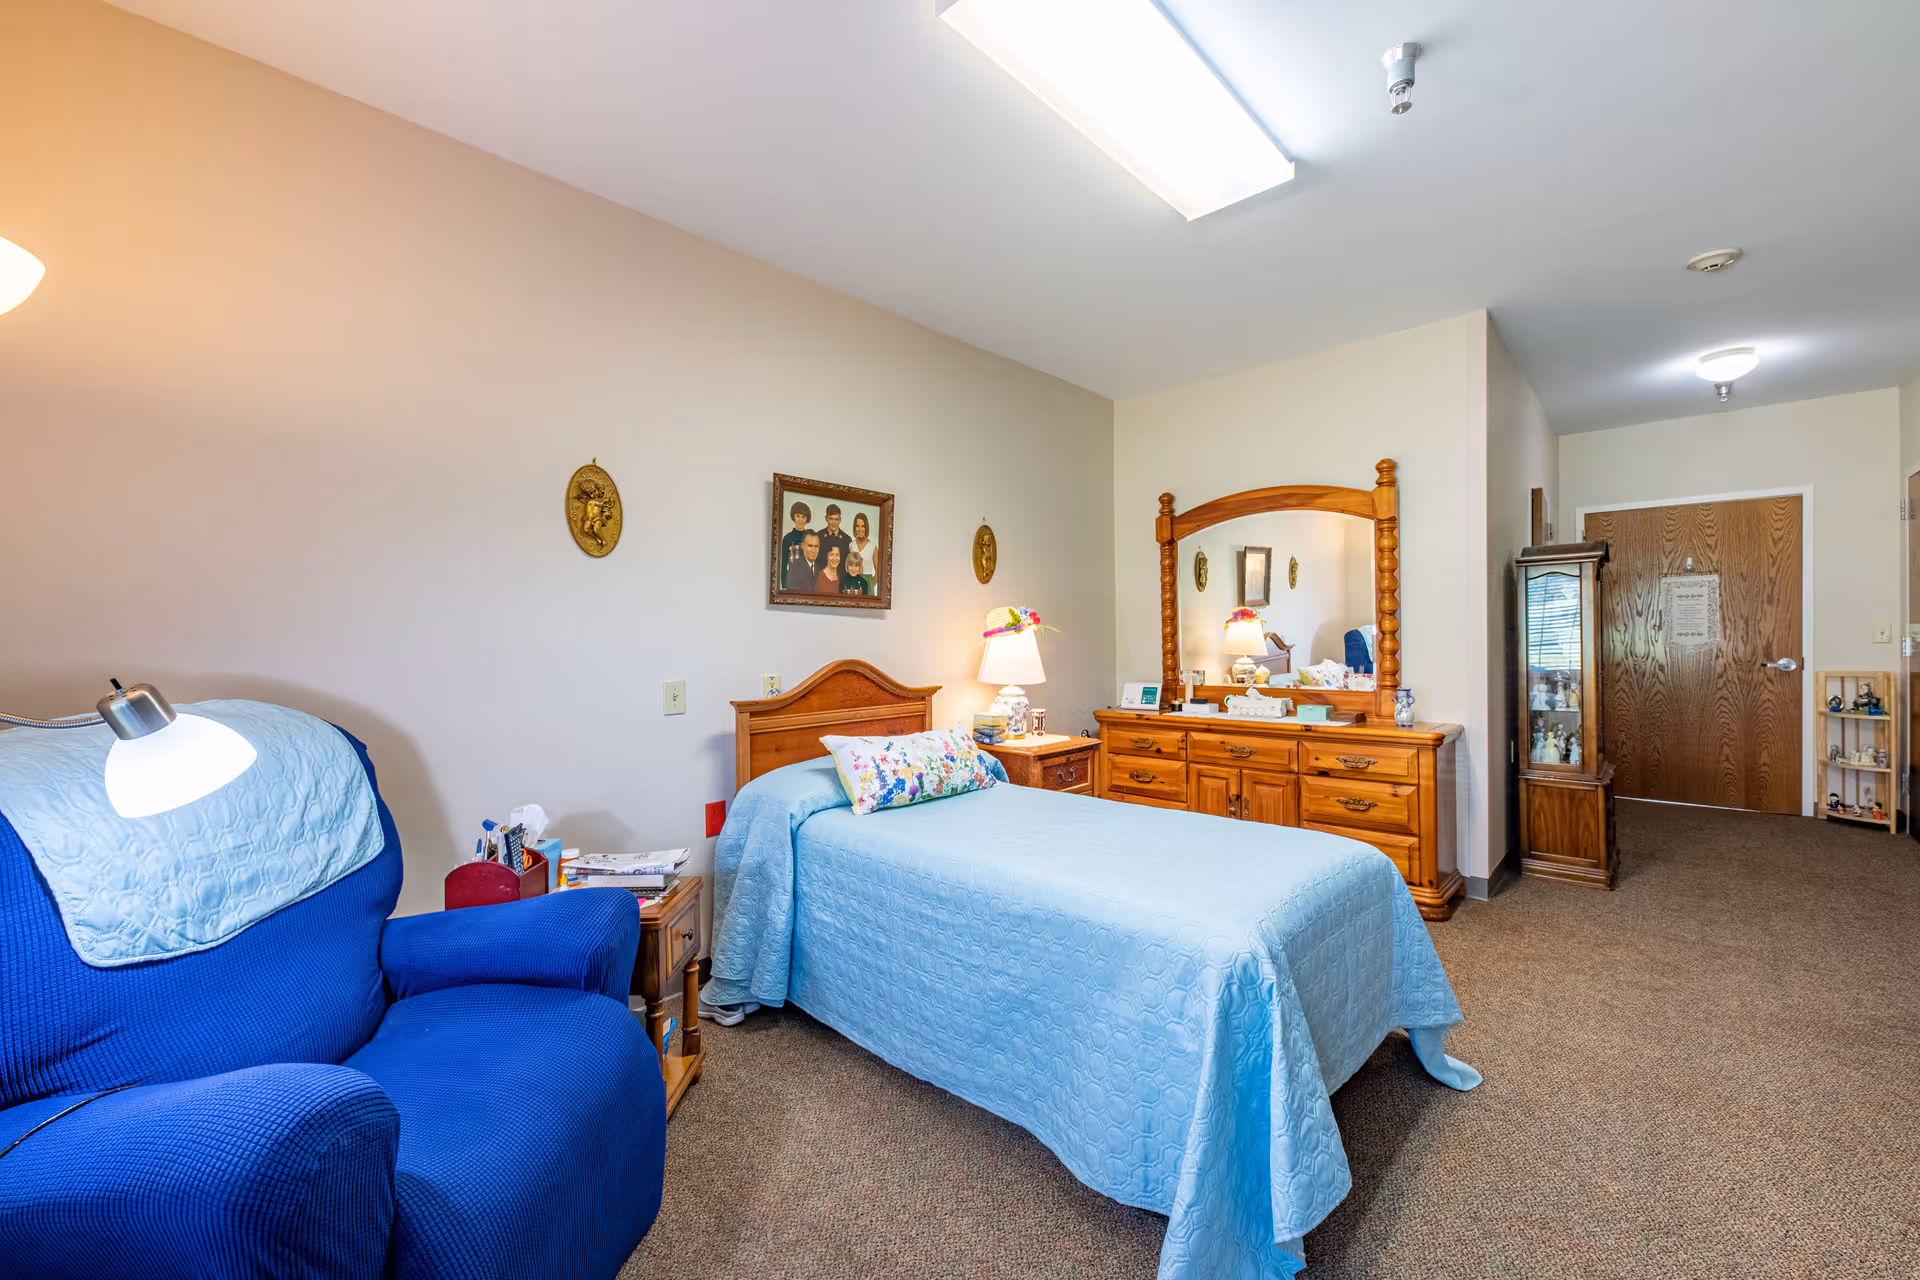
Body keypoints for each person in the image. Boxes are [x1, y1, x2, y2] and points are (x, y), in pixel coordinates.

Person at [781, 502, 812, 581]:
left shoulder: (811, 537)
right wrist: (784, 585)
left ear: (807, 519)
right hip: (792, 580)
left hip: (808, 581)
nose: (800, 520)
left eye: (803, 517)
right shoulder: (787, 538)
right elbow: (783, 564)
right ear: (793, 516)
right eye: (798, 516)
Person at [817, 504, 852, 575]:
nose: (834, 523)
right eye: (831, 519)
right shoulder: (818, 536)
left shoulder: (847, 539)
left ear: (840, 520)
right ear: (826, 518)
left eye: (836, 519)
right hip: (821, 580)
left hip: (840, 581)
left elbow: (847, 565)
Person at [849, 511, 878, 590]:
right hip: (853, 584)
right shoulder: (851, 545)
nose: (860, 529)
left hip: (867, 584)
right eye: (857, 526)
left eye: (863, 526)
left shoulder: (873, 547)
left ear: (866, 527)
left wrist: (871, 585)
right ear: (854, 527)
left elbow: (878, 571)